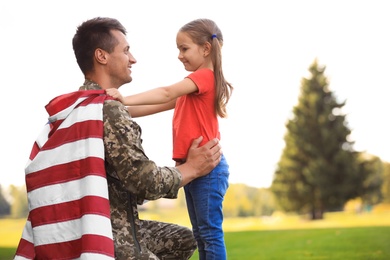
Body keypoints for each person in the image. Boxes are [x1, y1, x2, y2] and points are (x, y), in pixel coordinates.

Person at [14, 17, 222, 260]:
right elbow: (145, 181)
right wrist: (192, 168)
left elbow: (166, 100)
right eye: (126, 51)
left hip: (79, 226)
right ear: (102, 56)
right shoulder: (108, 110)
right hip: (106, 234)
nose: (133, 59)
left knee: (185, 239)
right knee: (205, 234)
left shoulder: (80, 108)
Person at [106, 18, 233, 260]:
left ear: (206, 49)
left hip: (208, 170)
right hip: (195, 169)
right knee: (201, 232)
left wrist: (125, 98)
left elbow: (165, 92)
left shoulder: (204, 77)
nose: (179, 55)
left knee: (209, 233)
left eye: (184, 48)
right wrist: (116, 108)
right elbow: (159, 103)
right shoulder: (193, 88)